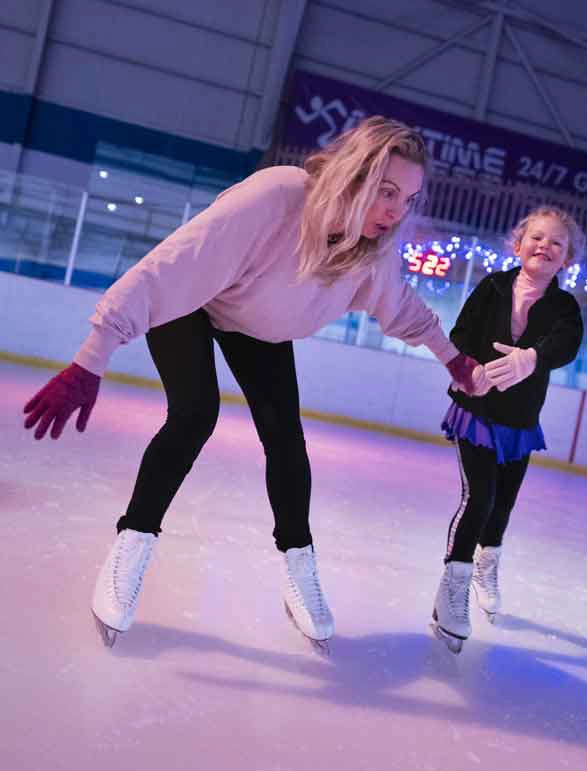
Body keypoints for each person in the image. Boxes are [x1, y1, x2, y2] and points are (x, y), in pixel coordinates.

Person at [23, 116, 478, 649]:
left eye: (408, 199)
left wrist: (454, 360)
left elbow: (401, 308)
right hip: (191, 301)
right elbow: (168, 268)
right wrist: (91, 357)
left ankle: (299, 565)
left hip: (257, 324)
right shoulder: (278, 197)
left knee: (285, 435)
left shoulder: (370, 252)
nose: (396, 212)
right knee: (195, 413)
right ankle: (133, 543)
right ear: (353, 176)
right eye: (385, 192)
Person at [432, 206, 585, 653]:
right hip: (475, 410)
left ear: (566, 259)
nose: (545, 246)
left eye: (557, 243)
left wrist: (531, 358)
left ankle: (487, 564)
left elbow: (567, 343)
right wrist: (468, 370)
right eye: (536, 238)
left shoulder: (564, 307)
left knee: (503, 504)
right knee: (479, 496)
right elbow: (460, 333)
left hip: (520, 419)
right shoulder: (493, 286)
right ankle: (453, 588)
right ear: (517, 245)